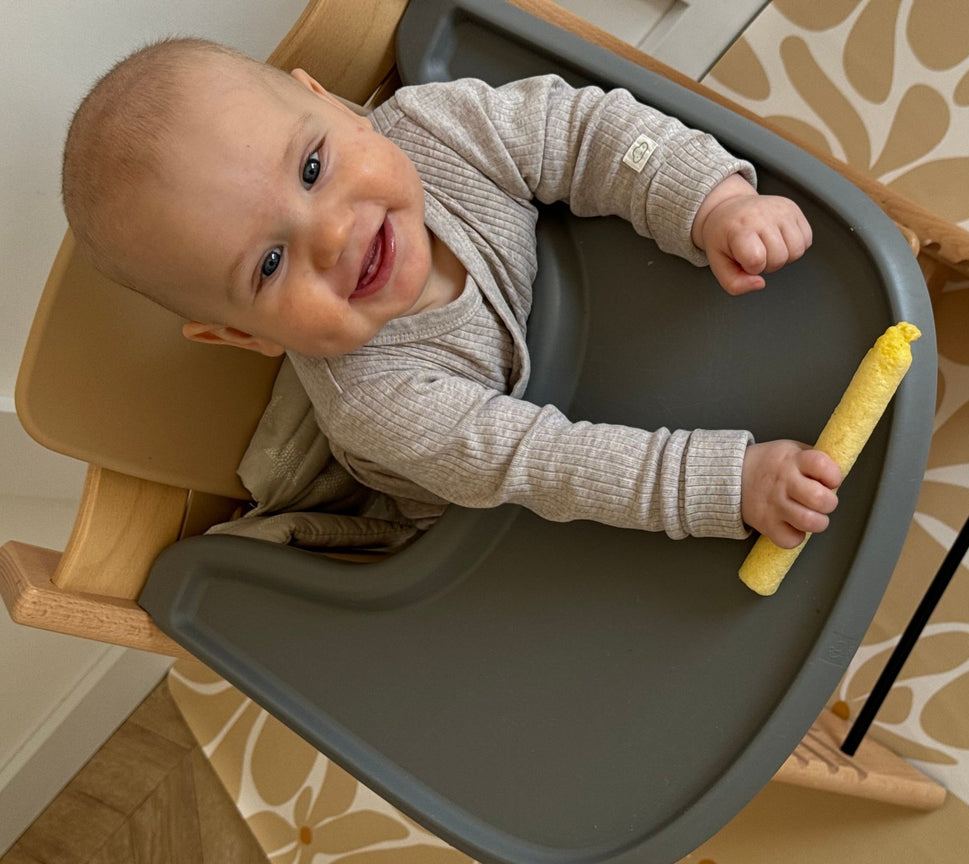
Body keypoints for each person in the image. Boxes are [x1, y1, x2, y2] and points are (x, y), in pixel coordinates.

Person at [61, 38, 841, 550]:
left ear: (333, 103)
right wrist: (722, 484)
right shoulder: (380, 402)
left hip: (611, 328)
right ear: (245, 337)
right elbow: (549, 463)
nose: (332, 235)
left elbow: (584, 131)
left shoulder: (433, 130)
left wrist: (709, 203)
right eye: (268, 264)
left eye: (311, 169)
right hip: (486, 502)